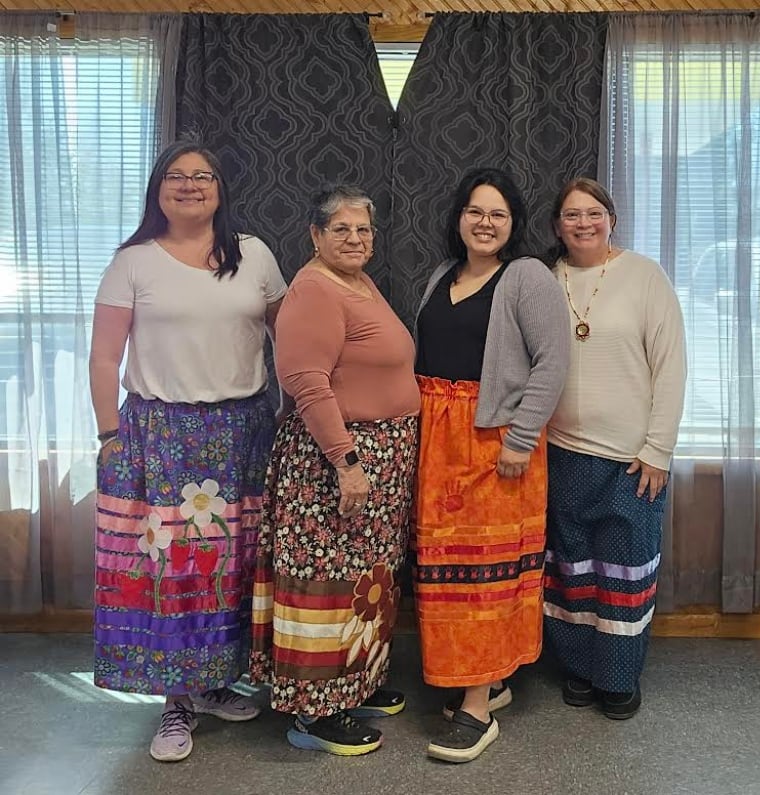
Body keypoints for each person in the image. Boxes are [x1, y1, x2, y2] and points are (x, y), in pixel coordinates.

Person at [89, 141, 287, 762]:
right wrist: (107, 434)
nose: (191, 185)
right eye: (177, 176)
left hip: (244, 431)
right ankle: (175, 698)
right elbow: (103, 355)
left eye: (203, 176)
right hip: (160, 436)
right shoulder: (133, 262)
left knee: (230, 566)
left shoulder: (252, 254)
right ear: (158, 188)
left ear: (221, 189)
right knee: (171, 571)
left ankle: (212, 682)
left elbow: (294, 333)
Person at [249, 185, 420, 756]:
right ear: (316, 235)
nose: (355, 238)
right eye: (341, 229)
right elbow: (306, 382)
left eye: (364, 230)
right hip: (336, 461)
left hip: (379, 456)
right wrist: (346, 462)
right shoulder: (314, 290)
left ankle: (353, 686)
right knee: (323, 582)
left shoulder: (357, 281)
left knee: (363, 582)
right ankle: (314, 715)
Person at [413, 167, 571, 763]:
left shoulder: (526, 276)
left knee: (487, 574)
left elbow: (553, 363)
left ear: (513, 225)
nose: (485, 223)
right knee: (442, 570)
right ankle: (488, 679)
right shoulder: (439, 276)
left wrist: (521, 438)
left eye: (497, 214)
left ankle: (476, 709)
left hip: (496, 443)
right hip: (437, 441)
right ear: (458, 218)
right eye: (475, 211)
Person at [542, 177, 686, 720]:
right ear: (557, 226)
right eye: (572, 215)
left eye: (593, 213)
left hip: (632, 460)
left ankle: (619, 676)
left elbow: (671, 366)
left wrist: (658, 449)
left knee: (623, 574)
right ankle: (579, 669)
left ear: (611, 219)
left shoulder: (645, 276)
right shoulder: (543, 278)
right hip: (559, 452)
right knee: (573, 571)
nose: (583, 223)